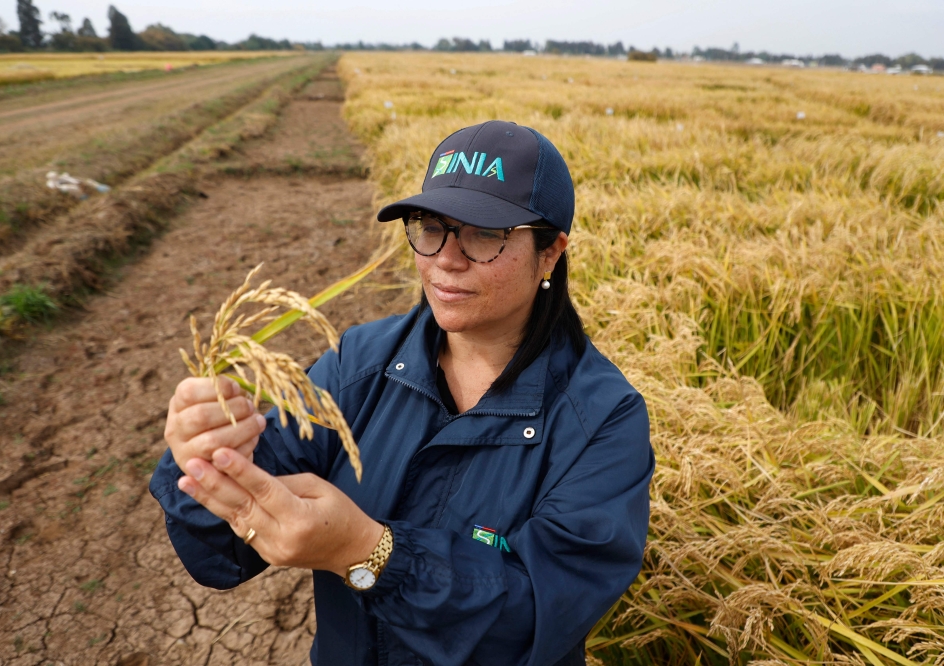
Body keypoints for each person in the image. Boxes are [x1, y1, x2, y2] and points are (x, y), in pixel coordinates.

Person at [150, 120, 654, 666]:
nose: (445, 259)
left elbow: (536, 618)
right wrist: (204, 459)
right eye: (430, 226)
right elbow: (223, 551)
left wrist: (366, 552)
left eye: (486, 234)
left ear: (551, 252)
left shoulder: (601, 418)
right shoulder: (358, 366)